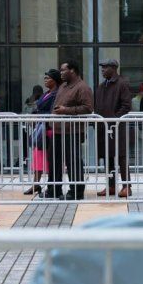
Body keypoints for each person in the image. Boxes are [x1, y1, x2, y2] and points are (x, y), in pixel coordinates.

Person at [50, 60, 93, 200]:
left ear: (72, 71)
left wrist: (65, 110)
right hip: (57, 130)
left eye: (63, 70)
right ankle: (54, 189)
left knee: (73, 162)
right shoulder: (63, 86)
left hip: (72, 131)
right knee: (55, 161)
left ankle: (76, 191)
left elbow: (87, 108)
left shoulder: (82, 87)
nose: (60, 73)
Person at [94, 58, 132, 198]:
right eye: (102, 67)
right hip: (104, 128)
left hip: (117, 127)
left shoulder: (121, 84)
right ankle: (111, 186)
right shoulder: (101, 85)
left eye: (105, 67)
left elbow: (126, 106)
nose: (103, 70)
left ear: (114, 68)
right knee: (107, 157)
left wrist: (114, 119)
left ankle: (127, 186)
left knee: (121, 157)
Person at [25, 69, 60, 196]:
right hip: (41, 130)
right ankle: (35, 184)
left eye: (48, 78)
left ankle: (51, 185)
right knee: (37, 157)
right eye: (44, 77)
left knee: (50, 160)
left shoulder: (56, 94)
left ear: (55, 80)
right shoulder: (47, 93)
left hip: (49, 130)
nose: (45, 80)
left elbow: (52, 111)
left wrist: (38, 115)